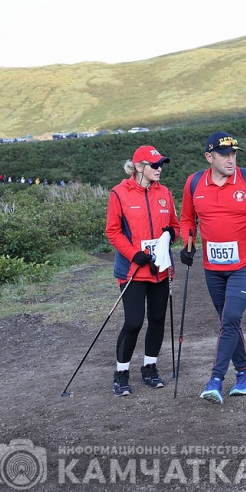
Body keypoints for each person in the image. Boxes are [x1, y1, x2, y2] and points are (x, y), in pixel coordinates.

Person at [178, 131, 246, 404]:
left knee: (231, 317)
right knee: (229, 322)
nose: (230, 159)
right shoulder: (194, 184)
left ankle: (215, 380)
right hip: (213, 267)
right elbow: (187, 219)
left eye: (233, 153)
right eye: (224, 154)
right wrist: (187, 243)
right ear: (209, 157)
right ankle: (245, 375)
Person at [105, 145, 179, 396]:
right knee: (134, 321)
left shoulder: (165, 193)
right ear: (139, 167)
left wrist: (171, 233)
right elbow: (112, 231)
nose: (159, 169)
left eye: (161, 165)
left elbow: (175, 227)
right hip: (132, 269)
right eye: (154, 165)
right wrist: (134, 254)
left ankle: (150, 368)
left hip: (160, 268)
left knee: (157, 320)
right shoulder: (119, 193)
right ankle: (121, 373)